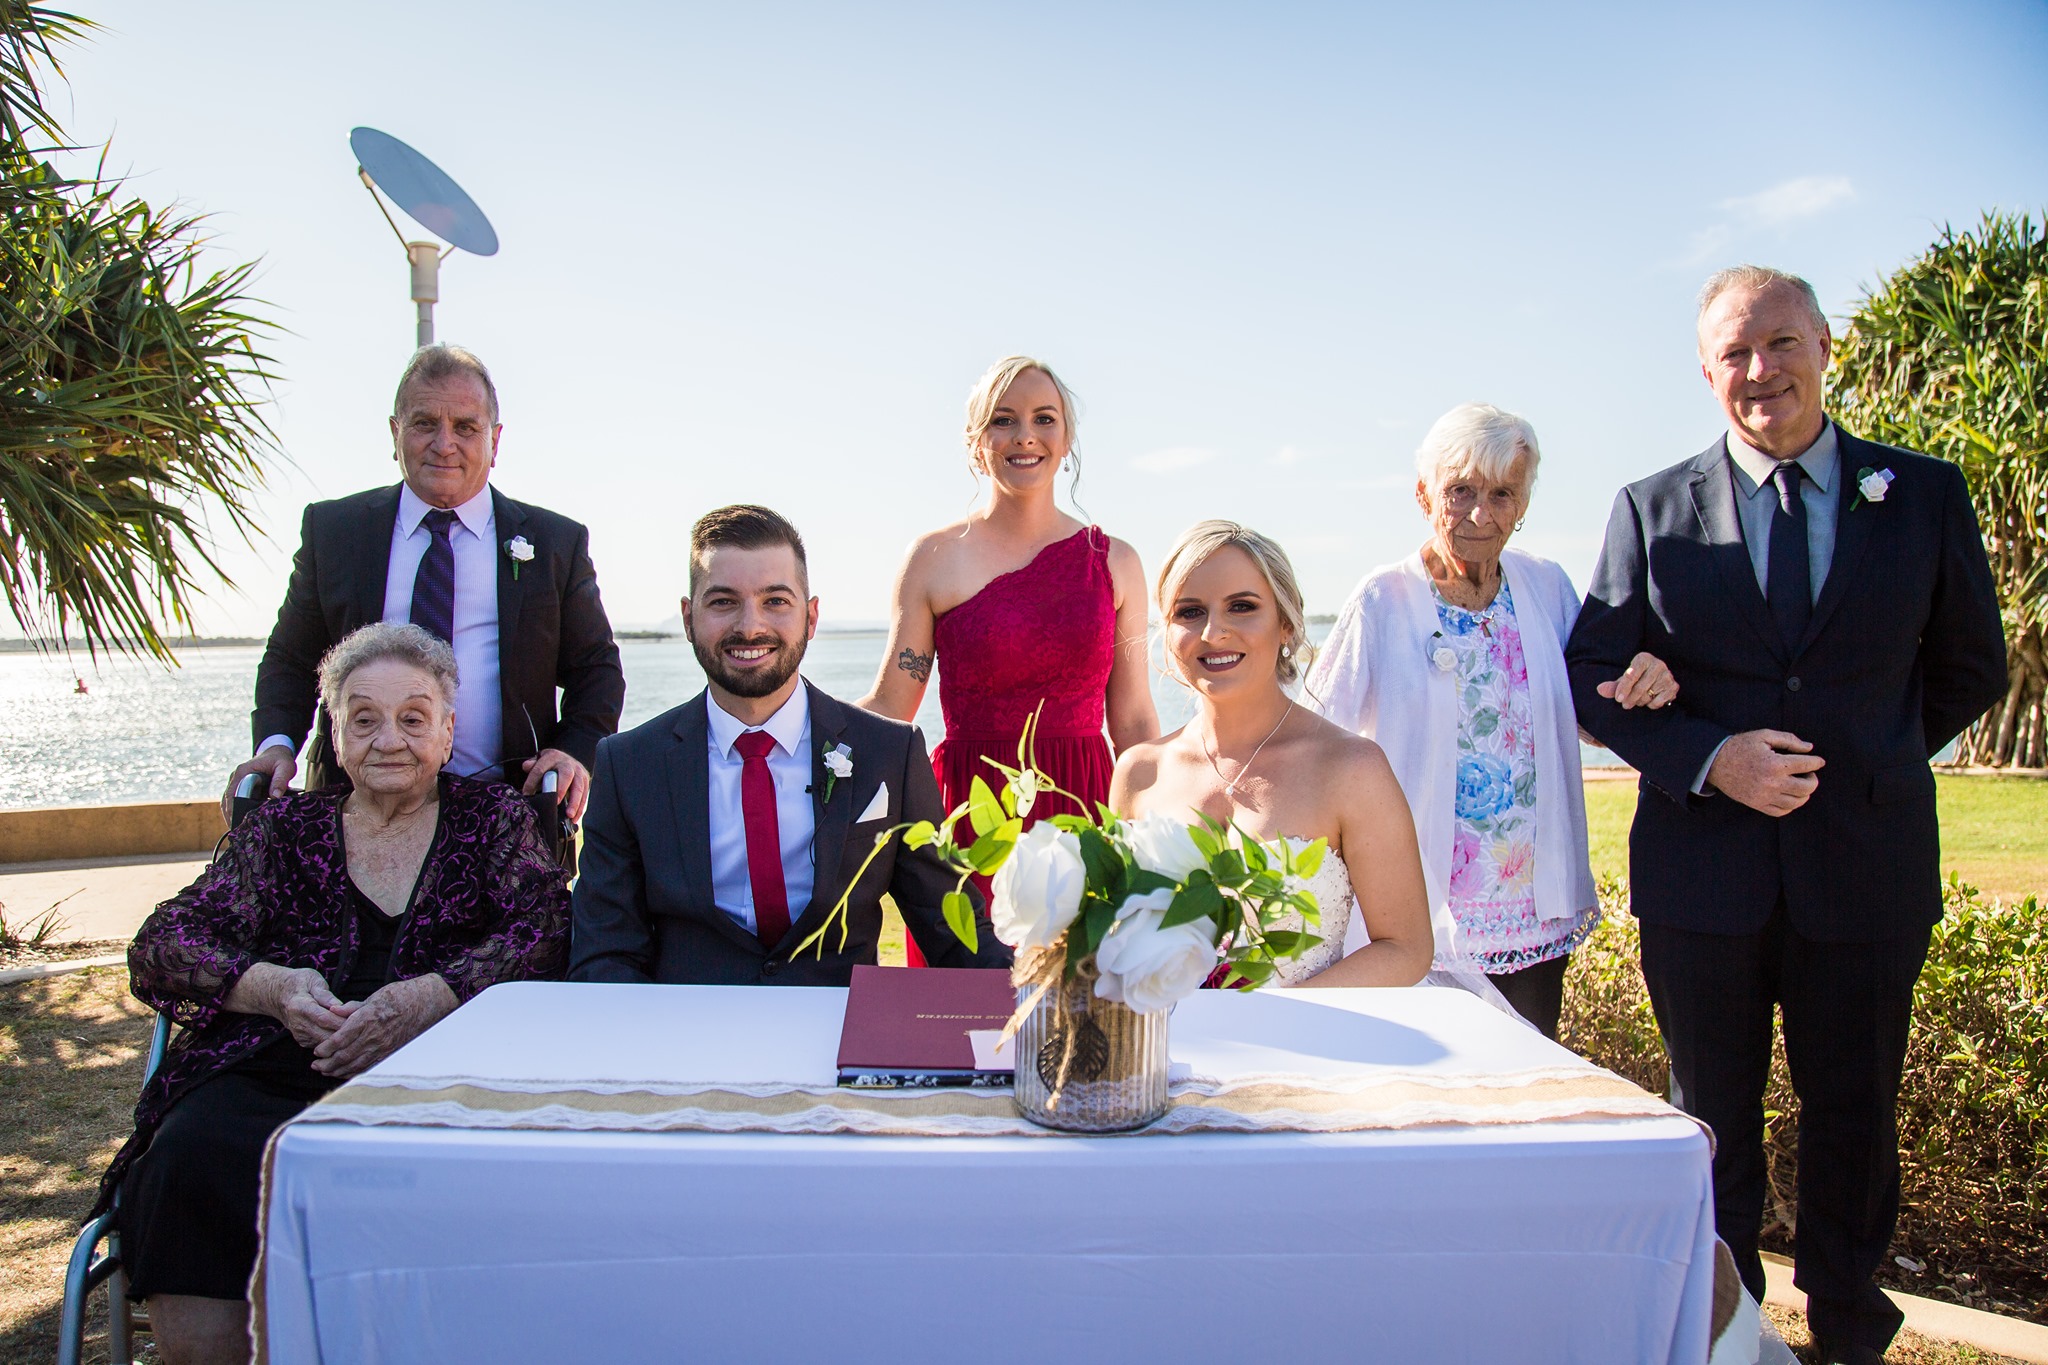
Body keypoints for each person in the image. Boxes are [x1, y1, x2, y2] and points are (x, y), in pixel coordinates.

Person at [1565, 265, 2006, 1364]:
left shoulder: (1923, 494)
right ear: (1705, 372)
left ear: (1823, 346)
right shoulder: (1650, 508)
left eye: (1779, 343)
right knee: (1710, 1119)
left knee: (1854, 1112)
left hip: (1864, 864)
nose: (1758, 369)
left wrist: (1863, 757)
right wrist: (1713, 758)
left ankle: (1849, 1328)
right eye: (1734, 353)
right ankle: (1728, 1331)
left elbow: (1970, 666)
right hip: (1701, 877)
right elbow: (1591, 674)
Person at [96, 623, 571, 1365]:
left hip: (440, 1070)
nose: (389, 739)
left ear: (448, 733)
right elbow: (165, 942)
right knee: (191, 1153)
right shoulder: (284, 829)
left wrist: (430, 998)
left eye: (413, 718)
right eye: (364, 719)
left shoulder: (492, 822)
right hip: (271, 1069)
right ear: (336, 737)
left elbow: (546, 930)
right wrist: (273, 989)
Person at [1306, 402, 1678, 1038]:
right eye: (1461, 491)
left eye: (1503, 493)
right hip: (1415, 911)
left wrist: (1646, 678)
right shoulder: (1382, 599)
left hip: (1532, 911)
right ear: (1424, 495)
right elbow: (1318, 737)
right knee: (1421, 1080)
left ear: (1524, 503)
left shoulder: (1547, 585)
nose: (1481, 514)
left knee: (1523, 1079)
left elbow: (1593, 712)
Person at [569, 505, 1011, 985]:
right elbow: (605, 955)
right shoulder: (629, 765)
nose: (750, 626)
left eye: (775, 600)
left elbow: (954, 932)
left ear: (811, 616)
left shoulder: (890, 753)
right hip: (687, 1026)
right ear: (688, 618)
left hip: (840, 1025)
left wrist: (1039, 993)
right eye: (723, 602)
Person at [227, 345, 624, 823]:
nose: (444, 444)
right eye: (424, 423)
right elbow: (291, 659)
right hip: (352, 816)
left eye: (465, 427)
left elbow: (596, 669)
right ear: (395, 434)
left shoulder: (556, 541)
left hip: (508, 816)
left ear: (495, 441)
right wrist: (276, 745)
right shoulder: (334, 531)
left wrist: (574, 752)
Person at [859, 356, 1158, 964]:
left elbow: (1132, 720)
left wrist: (1161, 829)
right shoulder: (933, 558)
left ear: (1066, 440)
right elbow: (892, 705)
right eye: (1003, 420)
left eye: (1044, 419)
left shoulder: (1116, 562)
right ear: (976, 442)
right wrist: (784, 720)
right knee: (963, 998)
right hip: (972, 815)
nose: (1025, 435)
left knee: (1084, 1001)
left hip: (1086, 811)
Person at [1110, 521, 1433, 988]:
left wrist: (1274, 1016)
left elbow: (1405, 949)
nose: (1213, 632)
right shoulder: (1139, 772)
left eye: (1242, 607)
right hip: (1168, 1031)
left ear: (1285, 622)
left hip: (1303, 1030)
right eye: (1190, 612)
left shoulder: (1352, 768)